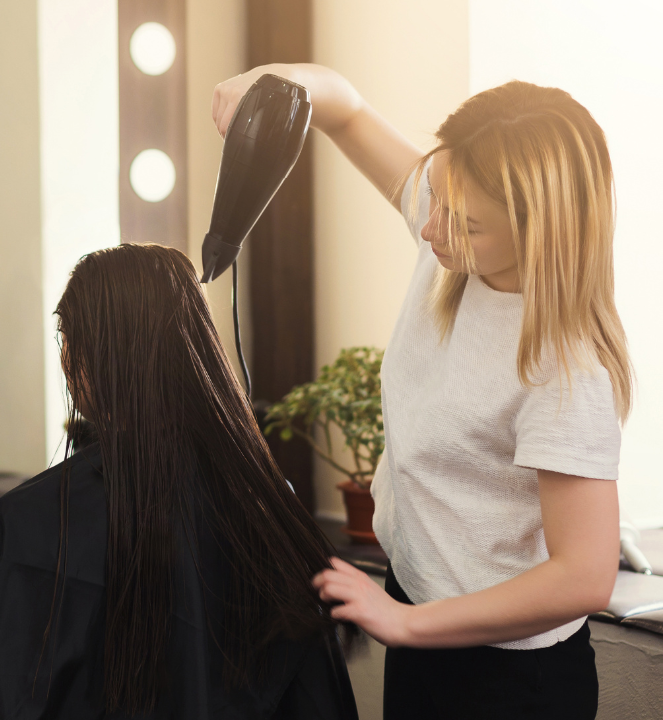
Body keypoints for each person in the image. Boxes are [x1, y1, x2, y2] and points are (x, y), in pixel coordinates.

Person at [213, 67, 629, 719]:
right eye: (435, 194)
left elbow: (585, 576)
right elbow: (345, 110)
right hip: (419, 616)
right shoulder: (454, 248)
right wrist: (275, 82)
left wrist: (404, 626)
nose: (430, 230)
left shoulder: (563, 370)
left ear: (541, 229)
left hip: (509, 680)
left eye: (463, 222)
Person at [0, 244, 359, 720]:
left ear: (95, 358)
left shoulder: (42, 521)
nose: (65, 358)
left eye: (70, 338)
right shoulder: (266, 507)